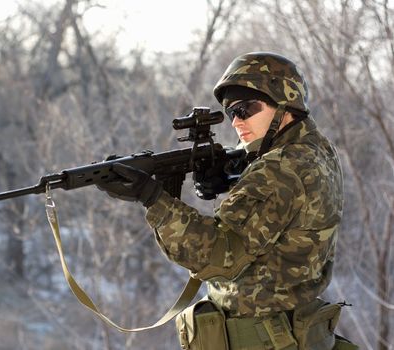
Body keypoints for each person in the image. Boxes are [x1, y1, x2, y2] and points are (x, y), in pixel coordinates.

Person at [97, 52, 357, 349]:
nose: (236, 122)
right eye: (232, 113)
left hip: (264, 338)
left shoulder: (279, 169)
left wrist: (153, 198)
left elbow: (218, 257)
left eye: (246, 109)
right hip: (295, 329)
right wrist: (232, 175)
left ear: (285, 105)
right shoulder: (316, 148)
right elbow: (282, 209)